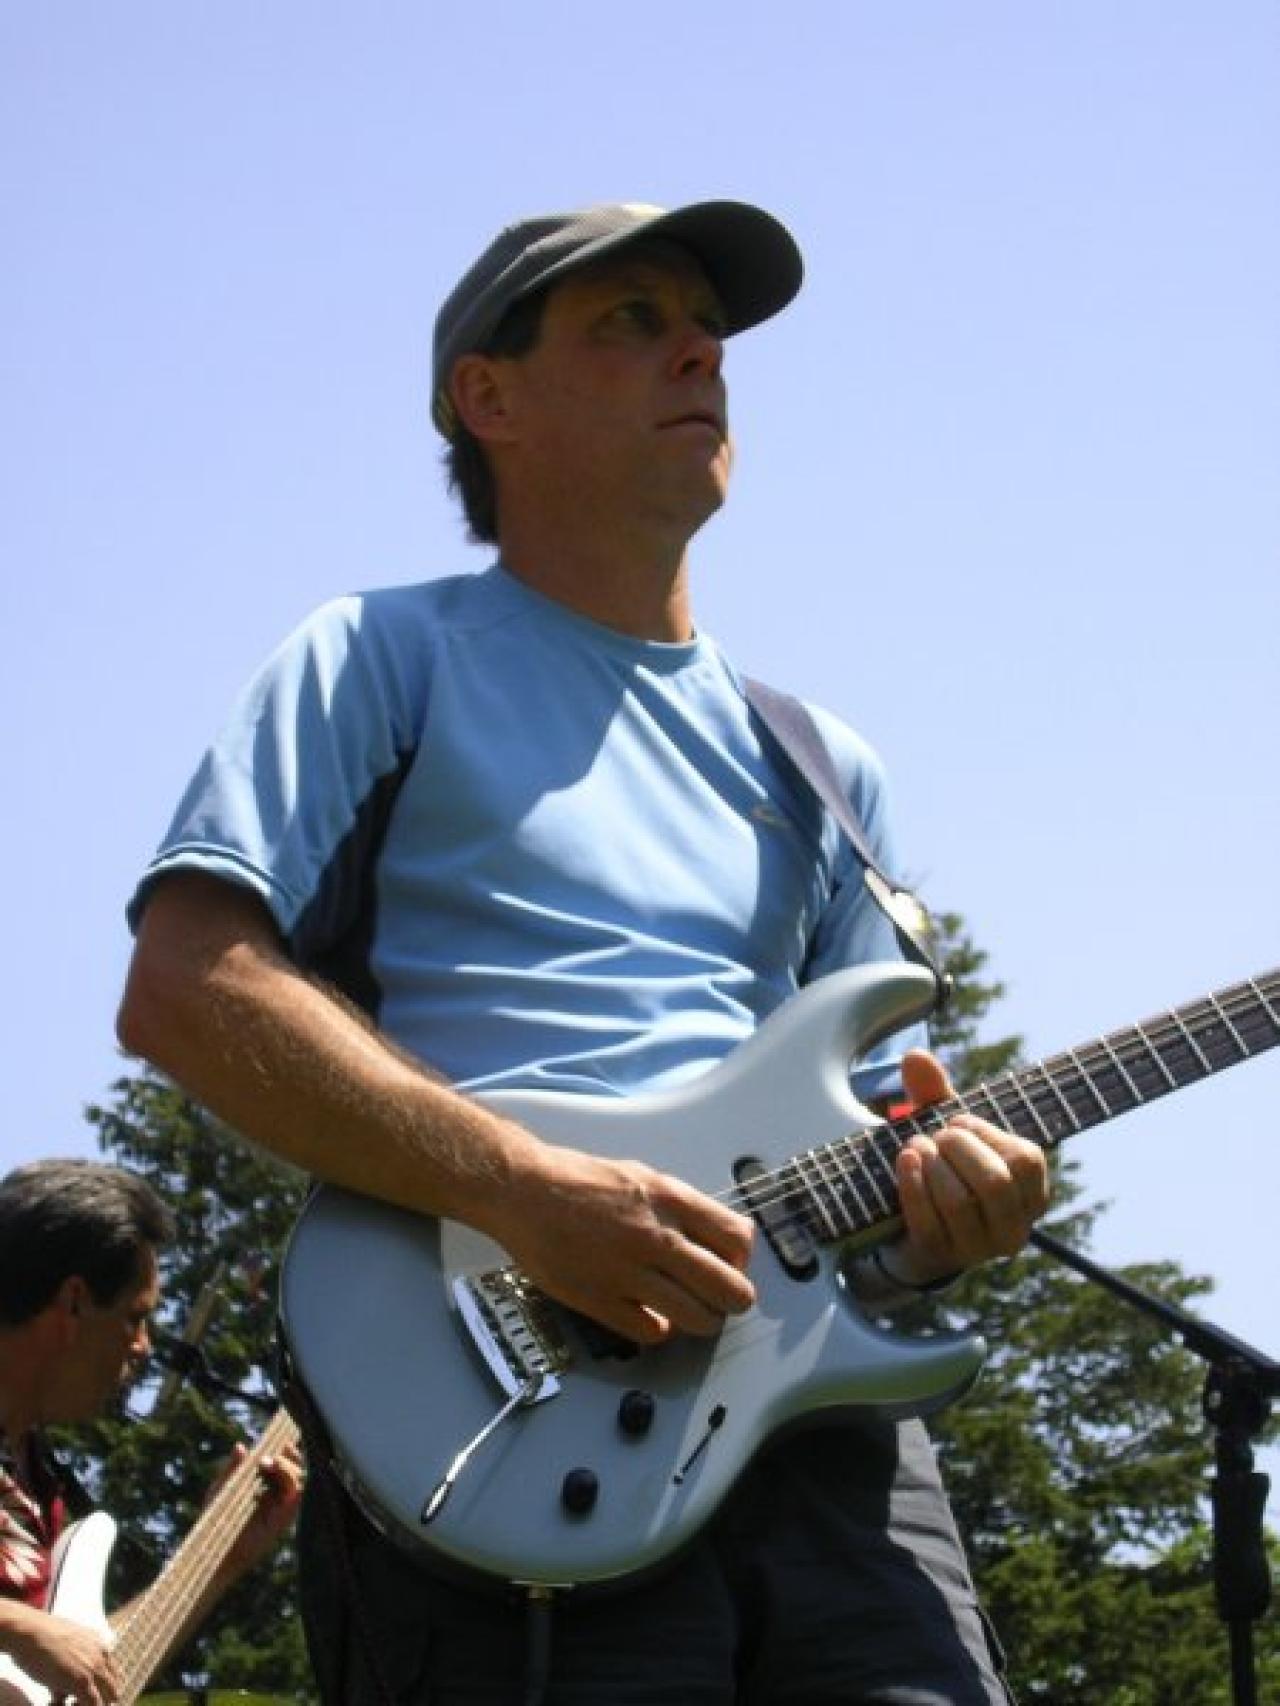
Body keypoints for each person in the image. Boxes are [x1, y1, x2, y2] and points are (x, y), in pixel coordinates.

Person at [117, 198, 1050, 1705]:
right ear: (487, 396)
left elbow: (874, 1156)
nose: (701, 353)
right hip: (495, 1419)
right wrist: (523, 1191)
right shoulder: (376, 653)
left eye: (709, 328)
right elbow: (184, 988)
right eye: (632, 319)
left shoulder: (825, 767)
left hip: (818, 1432)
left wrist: (940, 1220)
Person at [0, 1159, 303, 1706]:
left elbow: (82, 1669)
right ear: (73, 1302)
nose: (142, 1347)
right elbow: (41, 1644)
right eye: (133, 1319)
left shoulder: (39, 1486)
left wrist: (219, 1562)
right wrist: (20, 1627)